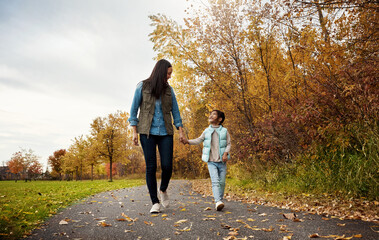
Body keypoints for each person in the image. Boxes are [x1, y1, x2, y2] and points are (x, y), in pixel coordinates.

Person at [128, 59, 185, 213]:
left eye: (171, 73)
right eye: (168, 73)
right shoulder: (142, 86)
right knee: (151, 167)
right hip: (147, 132)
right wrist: (134, 131)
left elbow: (176, 111)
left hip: (165, 131)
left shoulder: (169, 90)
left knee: (167, 166)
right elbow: (133, 110)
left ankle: (163, 189)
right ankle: (155, 202)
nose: (170, 76)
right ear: (161, 72)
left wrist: (180, 130)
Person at [182, 110, 231, 211]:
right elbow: (199, 140)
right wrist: (188, 141)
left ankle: (220, 200)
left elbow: (229, 144)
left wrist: (226, 153)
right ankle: (217, 201)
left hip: (222, 162)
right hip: (211, 161)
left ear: (220, 119)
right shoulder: (206, 131)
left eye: (214, 114)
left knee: (222, 182)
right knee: (215, 181)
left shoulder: (224, 131)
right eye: (210, 114)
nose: (211, 115)